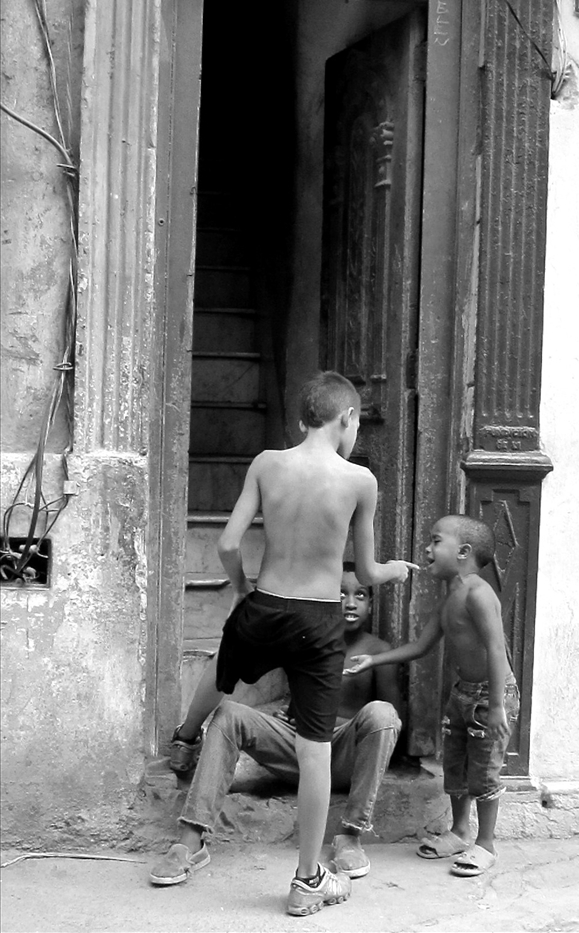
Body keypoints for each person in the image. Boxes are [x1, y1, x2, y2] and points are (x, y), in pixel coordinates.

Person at [154, 371, 417, 916]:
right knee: (314, 750)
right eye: (356, 423)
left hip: (267, 601)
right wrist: (392, 571)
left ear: (303, 418)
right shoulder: (359, 479)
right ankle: (305, 881)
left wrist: (246, 590)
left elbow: (228, 542)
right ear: (348, 418)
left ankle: (183, 738)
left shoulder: (267, 463)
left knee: (226, 666)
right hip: (318, 618)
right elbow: (363, 570)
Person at [149, 564, 402, 890]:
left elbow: (393, 726)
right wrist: (291, 713)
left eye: (360, 595)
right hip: (296, 749)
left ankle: (350, 835)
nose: (350, 603)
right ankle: (190, 841)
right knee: (228, 714)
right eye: (340, 594)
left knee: (383, 714)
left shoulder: (378, 651)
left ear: (371, 603)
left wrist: (330, 726)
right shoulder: (307, 635)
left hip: (339, 753)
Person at [345, 514, 520, 878]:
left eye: (436, 540)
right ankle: (459, 831)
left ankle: (485, 844)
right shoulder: (449, 599)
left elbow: (495, 650)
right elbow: (421, 646)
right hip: (462, 694)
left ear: (464, 552)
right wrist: (373, 660)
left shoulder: (478, 593)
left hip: (491, 694)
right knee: (454, 765)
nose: (427, 547)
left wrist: (499, 707)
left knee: (484, 770)